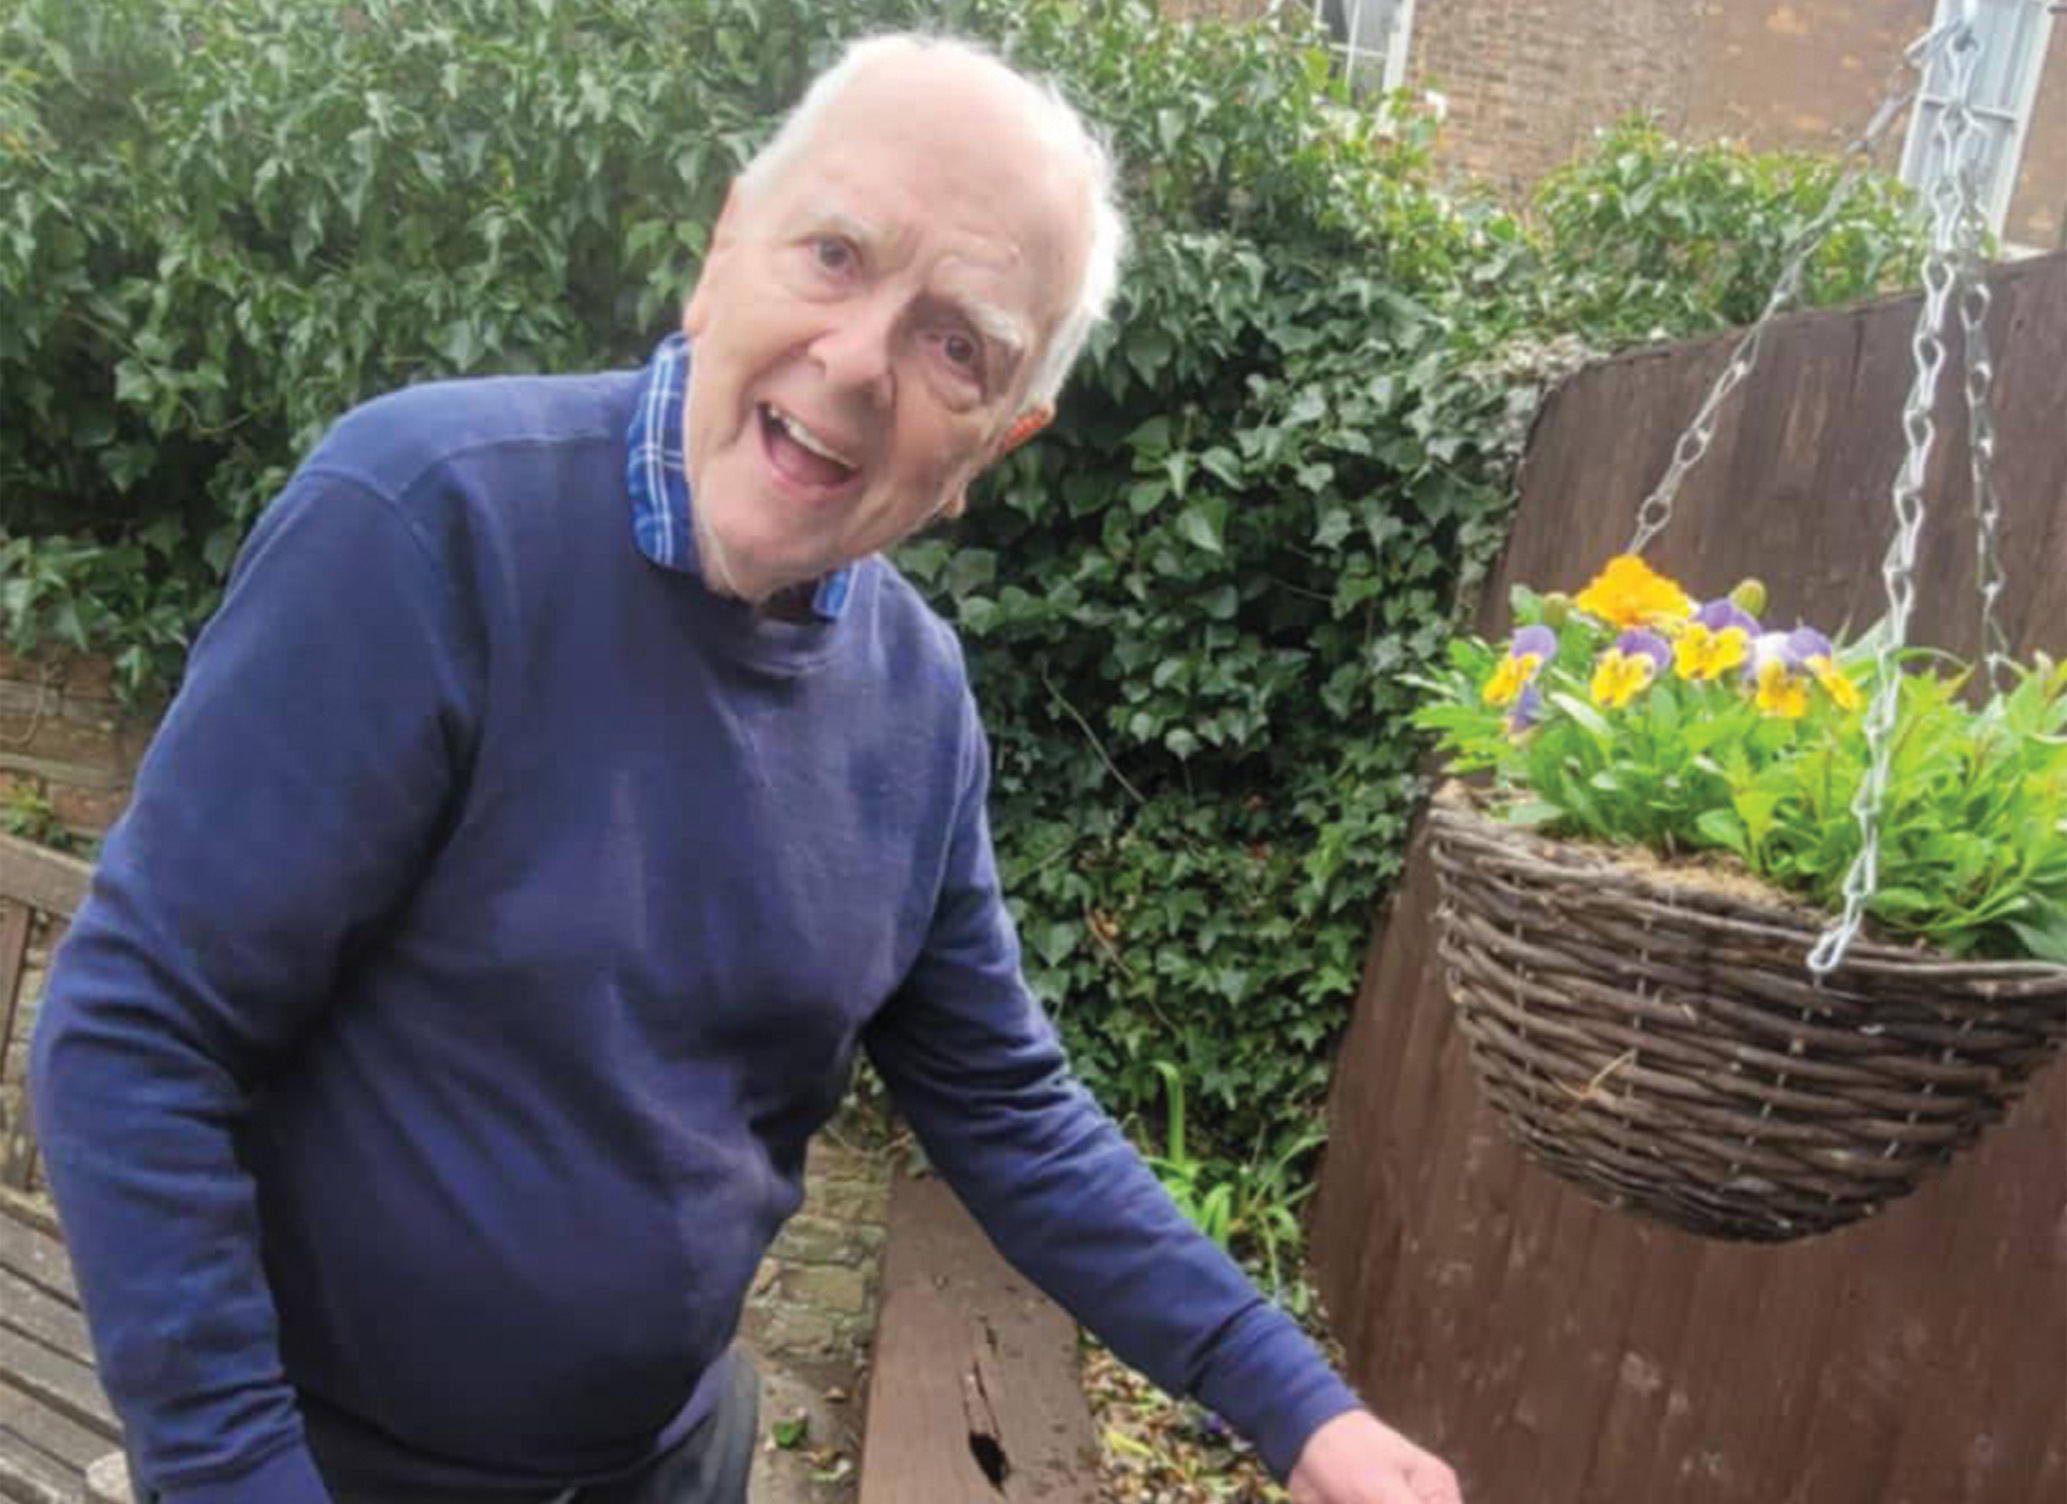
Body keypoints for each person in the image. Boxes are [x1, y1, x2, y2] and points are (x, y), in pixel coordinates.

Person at [31, 32, 1463, 1504]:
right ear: (723, 250)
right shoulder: (426, 522)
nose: (856, 362)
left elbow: (1010, 1112)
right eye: (834, 255)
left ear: (995, 446)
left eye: (956, 345)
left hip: (671, 1464)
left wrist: (1304, 1410)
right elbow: (137, 1032)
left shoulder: (917, 709)